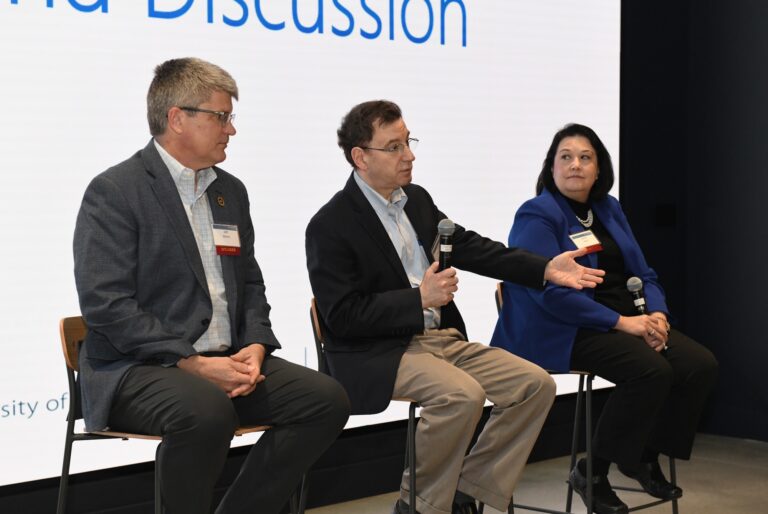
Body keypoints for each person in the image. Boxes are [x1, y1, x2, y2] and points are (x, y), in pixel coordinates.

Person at [73, 57, 350, 514]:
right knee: (206, 412)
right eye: (221, 116)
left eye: (230, 117)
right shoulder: (116, 191)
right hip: (136, 368)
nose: (231, 130)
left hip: (225, 362)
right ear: (177, 118)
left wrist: (257, 343)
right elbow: (106, 304)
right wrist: (191, 361)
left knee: (325, 400)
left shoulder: (230, 192)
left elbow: (251, 282)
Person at [305, 100, 606, 514]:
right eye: (394, 147)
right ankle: (419, 506)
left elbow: (473, 248)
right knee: (461, 396)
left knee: (535, 386)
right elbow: (342, 317)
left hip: (442, 340)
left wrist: (545, 269)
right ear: (360, 157)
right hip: (379, 352)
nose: (409, 155)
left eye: (408, 142)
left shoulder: (417, 201)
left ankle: (467, 490)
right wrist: (418, 300)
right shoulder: (330, 225)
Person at [490, 123, 718, 514]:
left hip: (623, 318)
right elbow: (553, 295)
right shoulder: (537, 214)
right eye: (566, 157)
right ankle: (592, 473)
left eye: (585, 157)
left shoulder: (608, 208)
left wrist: (657, 314)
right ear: (551, 167)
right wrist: (625, 324)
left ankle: (644, 454)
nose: (575, 165)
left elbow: (644, 272)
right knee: (651, 371)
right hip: (563, 328)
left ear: (599, 168)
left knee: (699, 365)